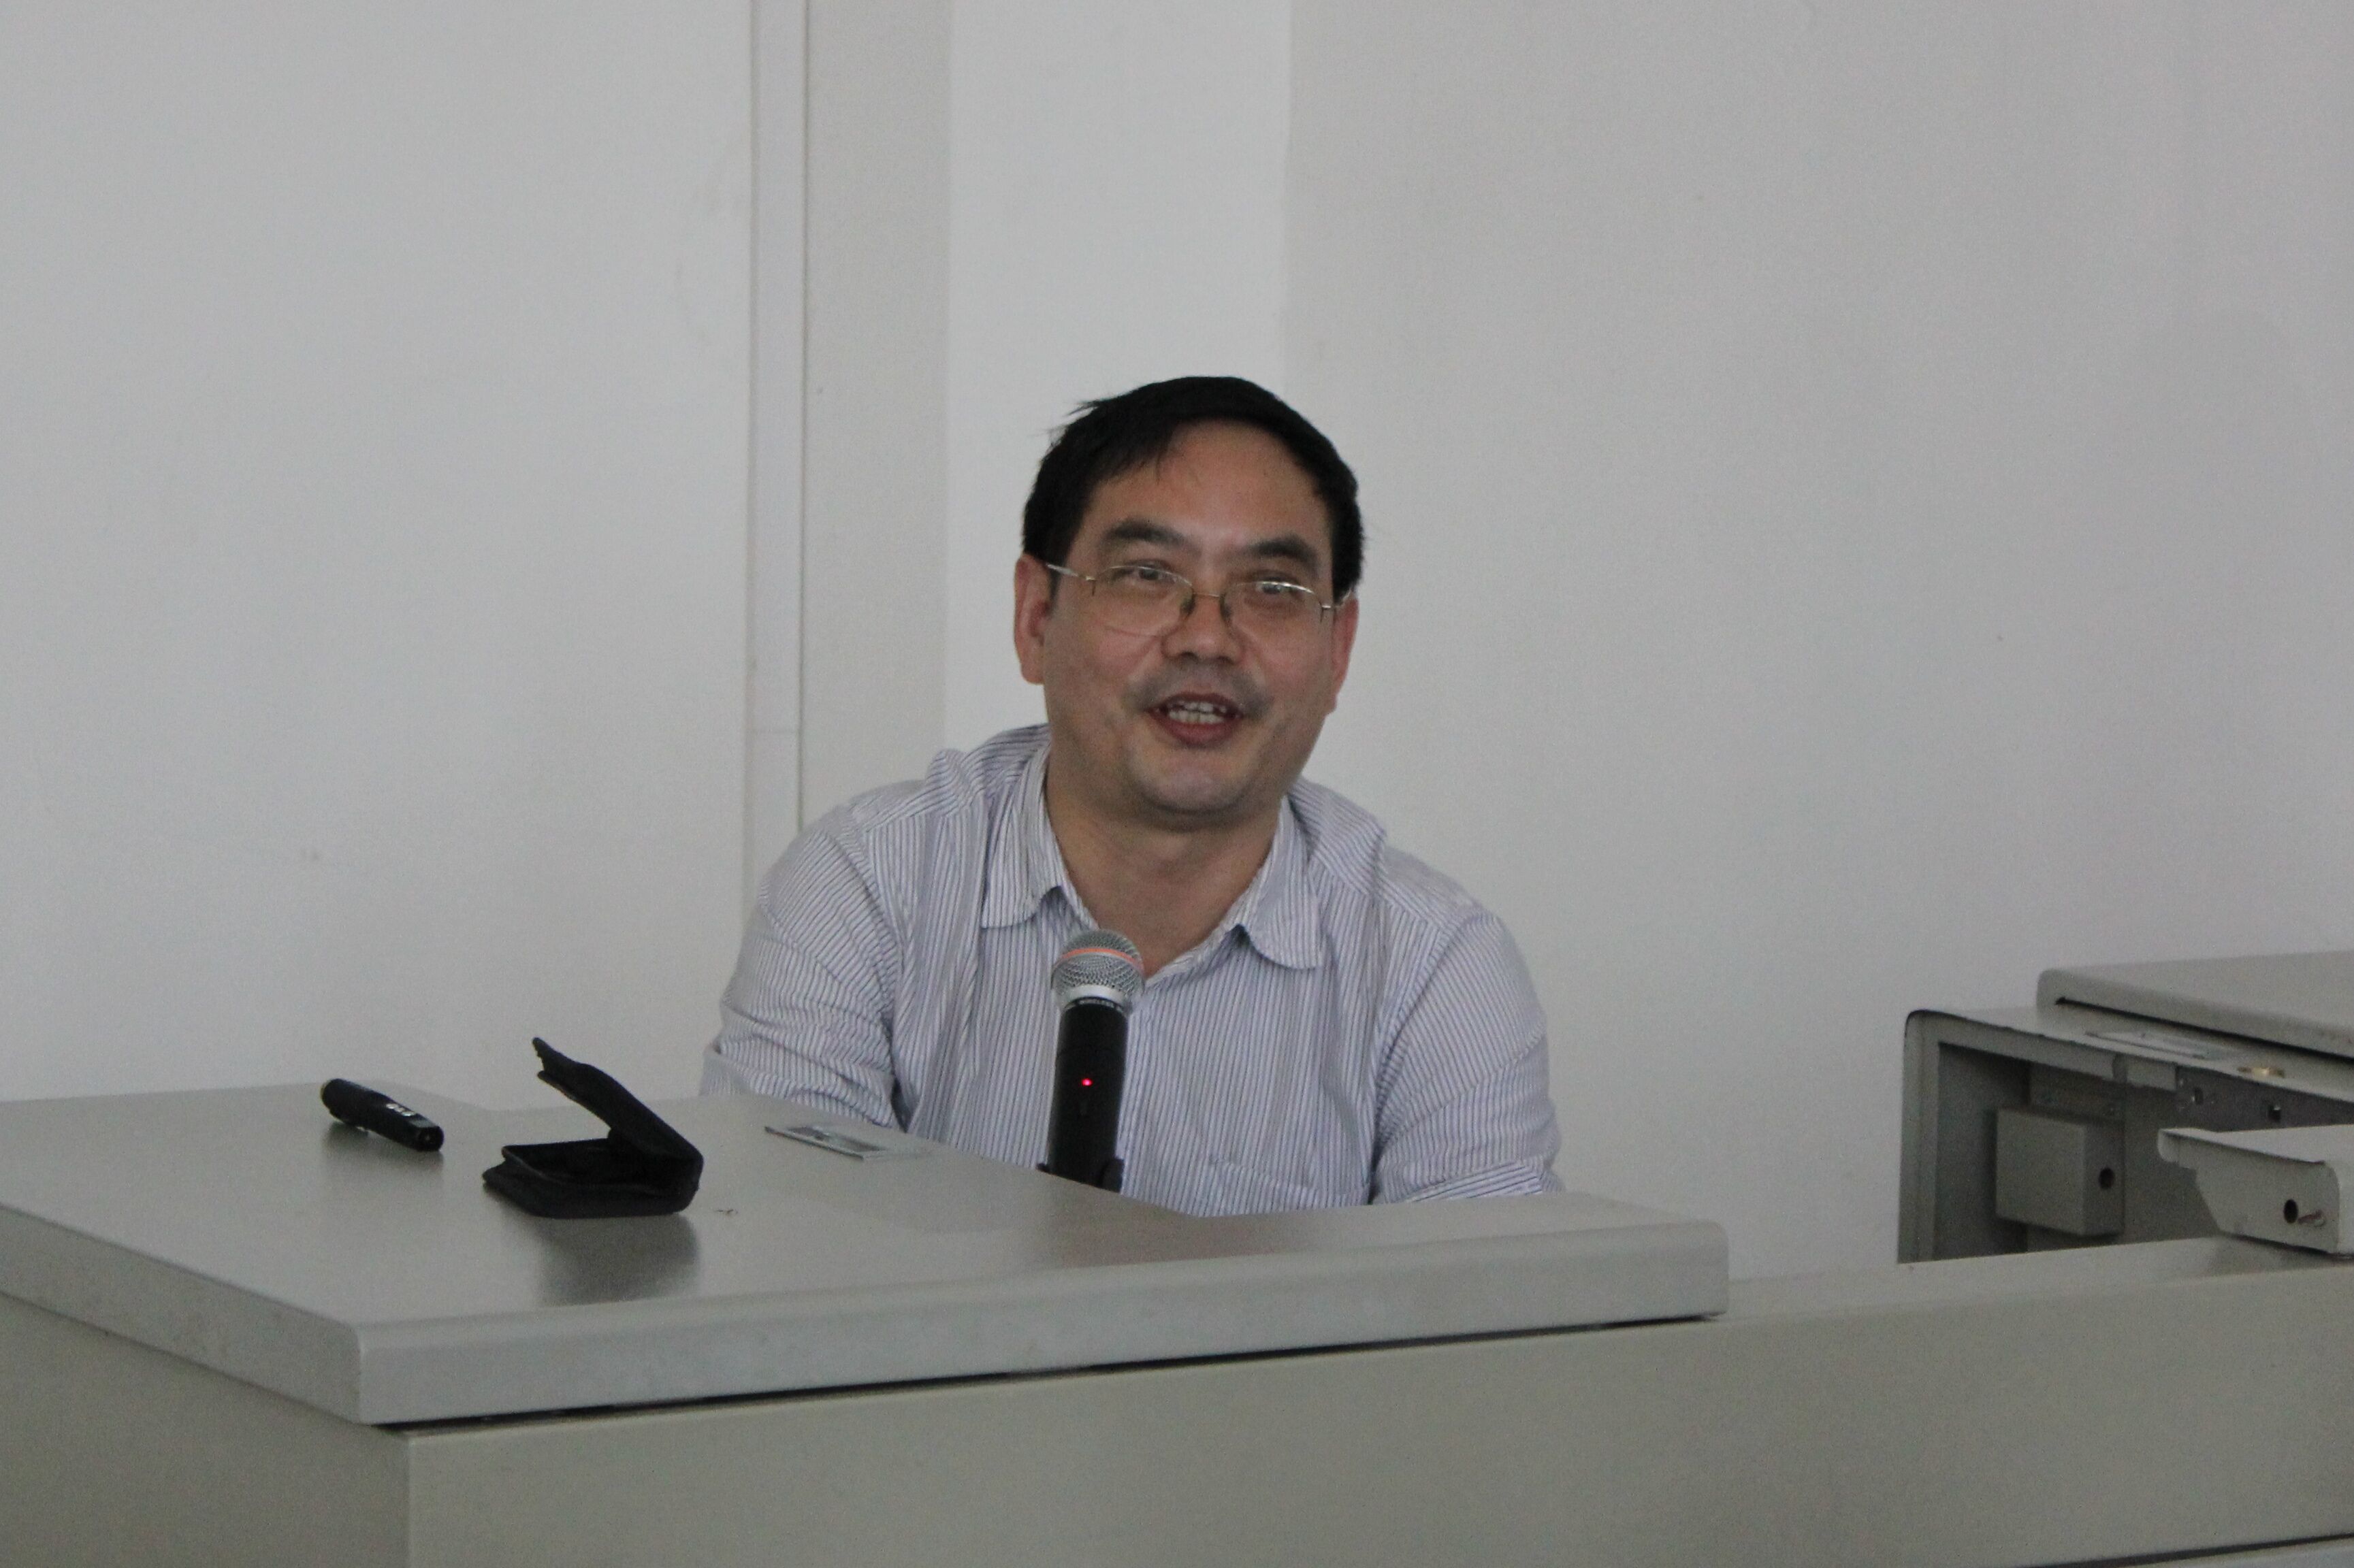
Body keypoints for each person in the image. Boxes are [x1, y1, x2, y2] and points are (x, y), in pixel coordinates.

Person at [703, 376, 1560, 1215]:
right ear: (1035, 618)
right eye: (1146, 575)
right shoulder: (869, 884)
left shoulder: (1432, 964)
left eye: (1272, 589)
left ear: (1337, 651)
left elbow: (1486, 1301)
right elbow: (788, 1246)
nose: (1206, 639)